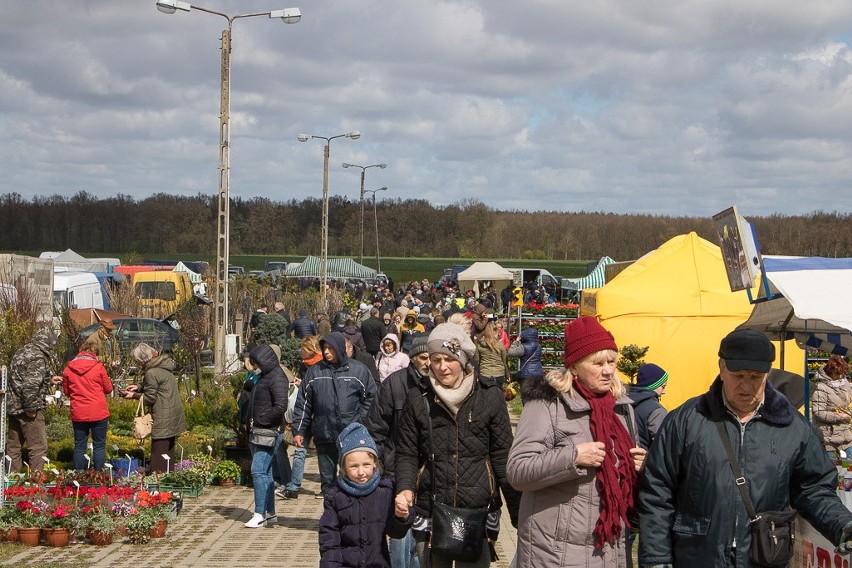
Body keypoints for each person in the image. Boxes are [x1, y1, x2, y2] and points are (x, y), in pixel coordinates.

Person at [638, 329, 852, 567]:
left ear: (768, 373)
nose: (746, 386)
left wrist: (840, 522)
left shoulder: (794, 427)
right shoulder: (686, 420)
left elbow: (813, 488)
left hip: (763, 556)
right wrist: (657, 558)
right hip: (697, 556)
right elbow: (657, 491)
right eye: (738, 375)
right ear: (721, 368)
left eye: (755, 377)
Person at [506, 316, 646, 568]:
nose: (608, 370)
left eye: (612, 362)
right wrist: (572, 457)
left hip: (611, 550)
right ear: (574, 367)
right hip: (555, 555)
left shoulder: (622, 409)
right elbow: (518, 471)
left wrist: (642, 466)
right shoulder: (547, 405)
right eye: (598, 363)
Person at [394, 322, 520, 568]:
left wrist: (518, 512)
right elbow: (407, 452)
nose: (442, 367)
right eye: (436, 359)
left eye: (449, 359)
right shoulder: (417, 398)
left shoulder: (490, 396)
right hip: (431, 506)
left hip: (477, 508)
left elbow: (503, 455)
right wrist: (405, 488)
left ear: (462, 359)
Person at [366, 334, 431, 568]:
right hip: (396, 467)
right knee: (400, 534)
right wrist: (379, 464)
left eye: (432, 357)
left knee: (422, 538)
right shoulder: (394, 384)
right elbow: (375, 427)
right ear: (412, 359)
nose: (429, 363)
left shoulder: (439, 384)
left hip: (429, 471)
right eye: (424, 357)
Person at [292, 332, 377, 495]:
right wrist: (299, 430)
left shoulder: (358, 371)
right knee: (327, 482)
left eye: (331, 348)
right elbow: (303, 403)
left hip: (351, 433)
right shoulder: (314, 373)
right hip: (324, 433)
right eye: (324, 348)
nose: (326, 352)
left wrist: (358, 421)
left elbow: (371, 397)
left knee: (350, 477)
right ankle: (330, 514)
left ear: (340, 348)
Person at [318, 422, 408, 567]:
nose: (361, 472)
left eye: (366, 465)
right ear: (343, 468)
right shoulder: (335, 496)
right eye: (353, 466)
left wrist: (402, 517)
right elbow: (329, 539)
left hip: (378, 563)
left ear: (374, 463)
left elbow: (395, 532)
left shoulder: (385, 490)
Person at [242, 344, 288, 529]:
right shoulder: (264, 376)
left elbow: (280, 406)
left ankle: (259, 513)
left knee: (258, 470)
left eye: (255, 363)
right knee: (266, 473)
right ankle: (270, 513)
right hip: (259, 430)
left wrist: (263, 419)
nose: (253, 367)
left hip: (268, 430)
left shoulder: (276, 377)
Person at [122, 342, 186, 473]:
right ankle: (168, 478)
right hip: (173, 413)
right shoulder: (163, 366)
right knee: (168, 451)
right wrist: (139, 387)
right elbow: (158, 384)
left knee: (158, 451)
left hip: (163, 415)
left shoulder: (151, 373)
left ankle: (157, 481)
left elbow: (150, 398)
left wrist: (133, 395)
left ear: (142, 360)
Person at [7, 327, 61, 473]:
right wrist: (31, 409)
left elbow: (20, 378)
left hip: (13, 407)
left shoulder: (22, 352)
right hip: (28, 409)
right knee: (38, 448)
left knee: (13, 448)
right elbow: (29, 386)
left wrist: (48, 380)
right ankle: (37, 486)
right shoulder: (38, 357)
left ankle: (11, 483)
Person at [278, 335, 323, 500]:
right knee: (299, 451)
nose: (299, 351)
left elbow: (319, 388)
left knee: (326, 453)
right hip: (305, 414)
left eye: (302, 348)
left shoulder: (321, 366)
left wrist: (303, 384)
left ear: (309, 350)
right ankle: (294, 486)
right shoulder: (304, 366)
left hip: (319, 414)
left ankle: (328, 486)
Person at [62, 339, 113, 470]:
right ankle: (99, 476)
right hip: (98, 411)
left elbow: (67, 391)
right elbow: (108, 389)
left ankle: (78, 476)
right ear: (94, 353)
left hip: (79, 412)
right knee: (99, 446)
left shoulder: (69, 369)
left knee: (79, 446)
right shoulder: (98, 367)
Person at [811, 355, 852, 459]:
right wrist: (839, 416)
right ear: (830, 372)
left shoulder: (845, 384)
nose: (840, 376)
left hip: (846, 436)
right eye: (838, 373)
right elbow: (818, 412)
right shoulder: (820, 387)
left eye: (843, 373)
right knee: (832, 468)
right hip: (829, 439)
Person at [627, 363, 669, 451]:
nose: (664, 391)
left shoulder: (626, 402)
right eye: (663, 387)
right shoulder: (656, 410)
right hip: (645, 460)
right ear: (654, 385)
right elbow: (663, 445)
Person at [474, 319, 509, 388]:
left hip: (485, 373)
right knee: (498, 395)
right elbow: (504, 362)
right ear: (495, 332)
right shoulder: (500, 345)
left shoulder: (480, 344)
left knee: (485, 396)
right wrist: (507, 375)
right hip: (499, 373)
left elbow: (477, 360)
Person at [516, 327, 543, 405]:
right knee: (536, 395)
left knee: (526, 395)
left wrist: (516, 343)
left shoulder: (523, 347)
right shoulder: (539, 346)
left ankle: (527, 412)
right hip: (538, 372)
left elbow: (512, 353)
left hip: (526, 373)